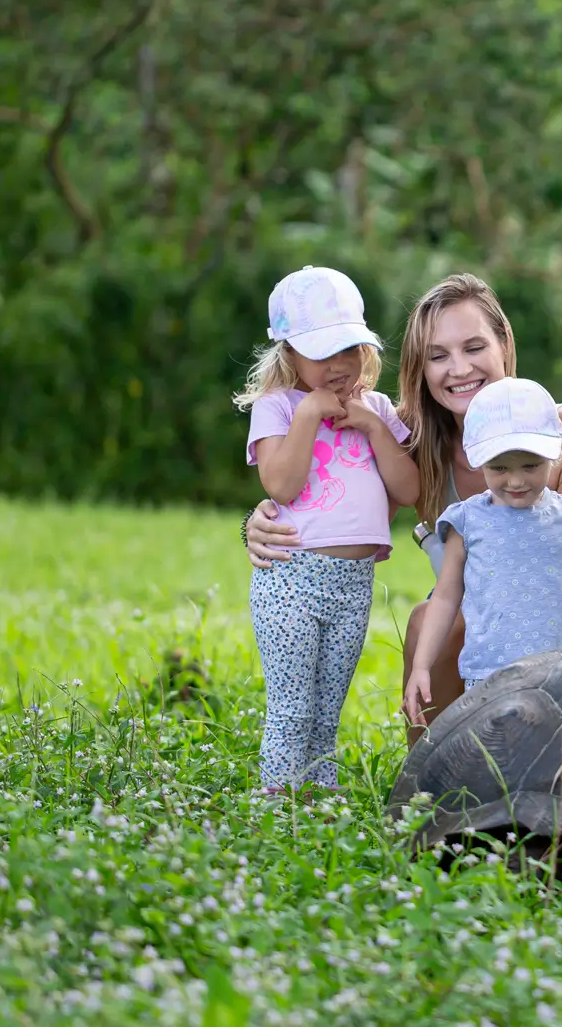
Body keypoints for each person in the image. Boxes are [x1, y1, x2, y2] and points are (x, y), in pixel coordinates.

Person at [243, 272, 562, 741]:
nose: (459, 369)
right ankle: (432, 785)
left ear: (504, 344)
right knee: (427, 620)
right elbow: (326, 484)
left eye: (474, 347)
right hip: (470, 615)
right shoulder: (410, 441)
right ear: (421, 369)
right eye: (438, 356)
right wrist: (259, 519)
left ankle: (560, 781)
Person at [235, 265, 422, 792]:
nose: (339, 366)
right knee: (292, 709)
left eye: (350, 350)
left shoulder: (378, 408)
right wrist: (309, 416)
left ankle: (319, 805)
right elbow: (281, 485)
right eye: (322, 354)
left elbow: (408, 491)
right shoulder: (279, 408)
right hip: (292, 580)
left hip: (353, 585)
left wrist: (371, 425)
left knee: (325, 714)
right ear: (288, 353)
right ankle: (275, 807)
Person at [403, 378, 562, 718]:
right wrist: (421, 666)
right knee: (491, 763)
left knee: (552, 761)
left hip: (559, 675)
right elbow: (446, 596)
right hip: (487, 677)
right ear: (478, 461)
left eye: (531, 465)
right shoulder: (467, 520)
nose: (516, 480)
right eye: (500, 468)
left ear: (558, 452)